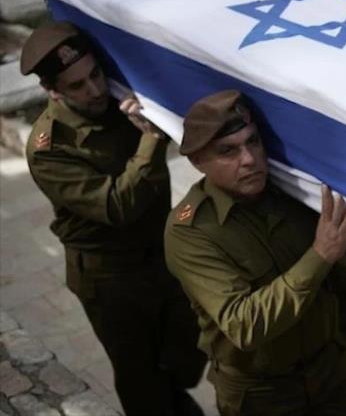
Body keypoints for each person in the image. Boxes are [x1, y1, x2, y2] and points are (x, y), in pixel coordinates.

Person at [21, 21, 207, 416]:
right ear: (51, 90)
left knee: (186, 349)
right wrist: (151, 139)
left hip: (159, 251)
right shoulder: (48, 147)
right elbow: (116, 207)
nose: (94, 90)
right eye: (77, 86)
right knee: (140, 374)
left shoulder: (119, 100)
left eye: (94, 74)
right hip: (110, 277)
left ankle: (177, 399)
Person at [164, 89, 346, 416]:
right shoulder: (191, 232)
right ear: (197, 161)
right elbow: (243, 325)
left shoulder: (295, 192)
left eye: (254, 142)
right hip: (262, 394)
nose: (249, 159)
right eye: (228, 151)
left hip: (333, 372)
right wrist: (320, 255)